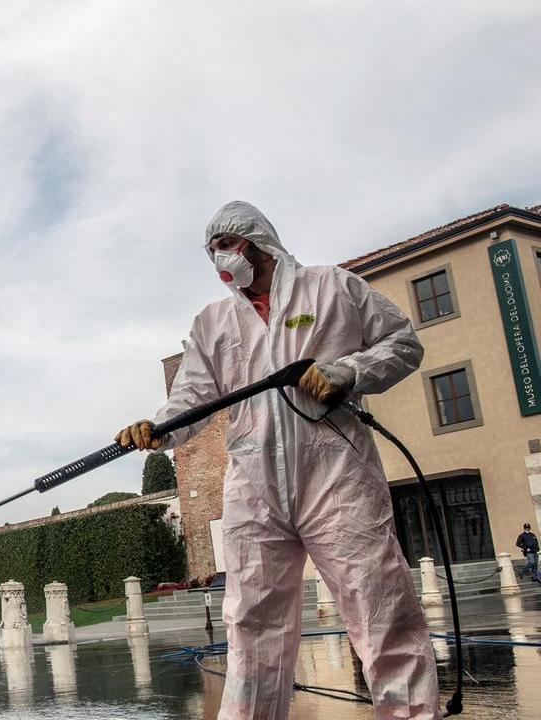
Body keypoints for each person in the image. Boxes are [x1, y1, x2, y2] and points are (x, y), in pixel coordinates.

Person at [118, 201, 438, 719]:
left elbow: (403, 344)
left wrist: (348, 372)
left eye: (225, 245)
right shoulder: (214, 322)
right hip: (253, 485)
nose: (219, 258)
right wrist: (159, 429)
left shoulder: (332, 288)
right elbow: (193, 397)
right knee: (252, 626)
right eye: (211, 251)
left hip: (336, 475)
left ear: (257, 241)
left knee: (379, 608)